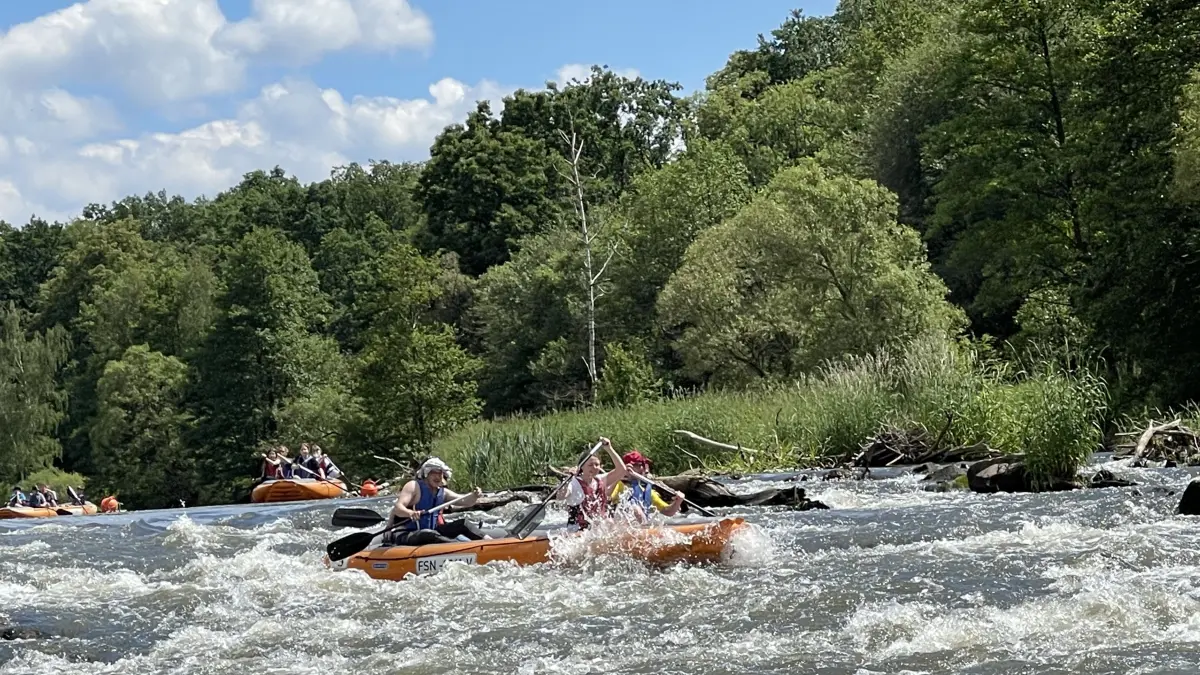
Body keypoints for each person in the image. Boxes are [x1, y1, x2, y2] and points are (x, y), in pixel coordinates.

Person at [383, 457, 485, 546]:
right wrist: (411, 513)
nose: (438, 477)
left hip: (432, 531)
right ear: (426, 474)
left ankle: (488, 541)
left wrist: (474, 496)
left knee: (463, 523)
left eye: (440, 473)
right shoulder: (414, 486)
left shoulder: (443, 492)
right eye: (434, 473)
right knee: (428, 534)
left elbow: (465, 501)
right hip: (407, 533)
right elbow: (398, 508)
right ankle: (459, 547)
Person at [558, 437, 628, 530]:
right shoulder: (573, 483)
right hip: (578, 529)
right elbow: (561, 497)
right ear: (581, 467)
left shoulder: (600, 480)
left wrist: (609, 448)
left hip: (598, 529)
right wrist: (567, 480)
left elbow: (621, 470)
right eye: (590, 465)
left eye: (597, 465)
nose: (594, 468)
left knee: (610, 522)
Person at [609, 450, 684, 520]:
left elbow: (668, 512)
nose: (640, 468)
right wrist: (618, 474)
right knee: (635, 509)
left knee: (638, 511)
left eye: (639, 465)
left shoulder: (647, 492)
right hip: (619, 523)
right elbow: (606, 497)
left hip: (639, 526)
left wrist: (677, 502)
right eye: (635, 465)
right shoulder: (618, 485)